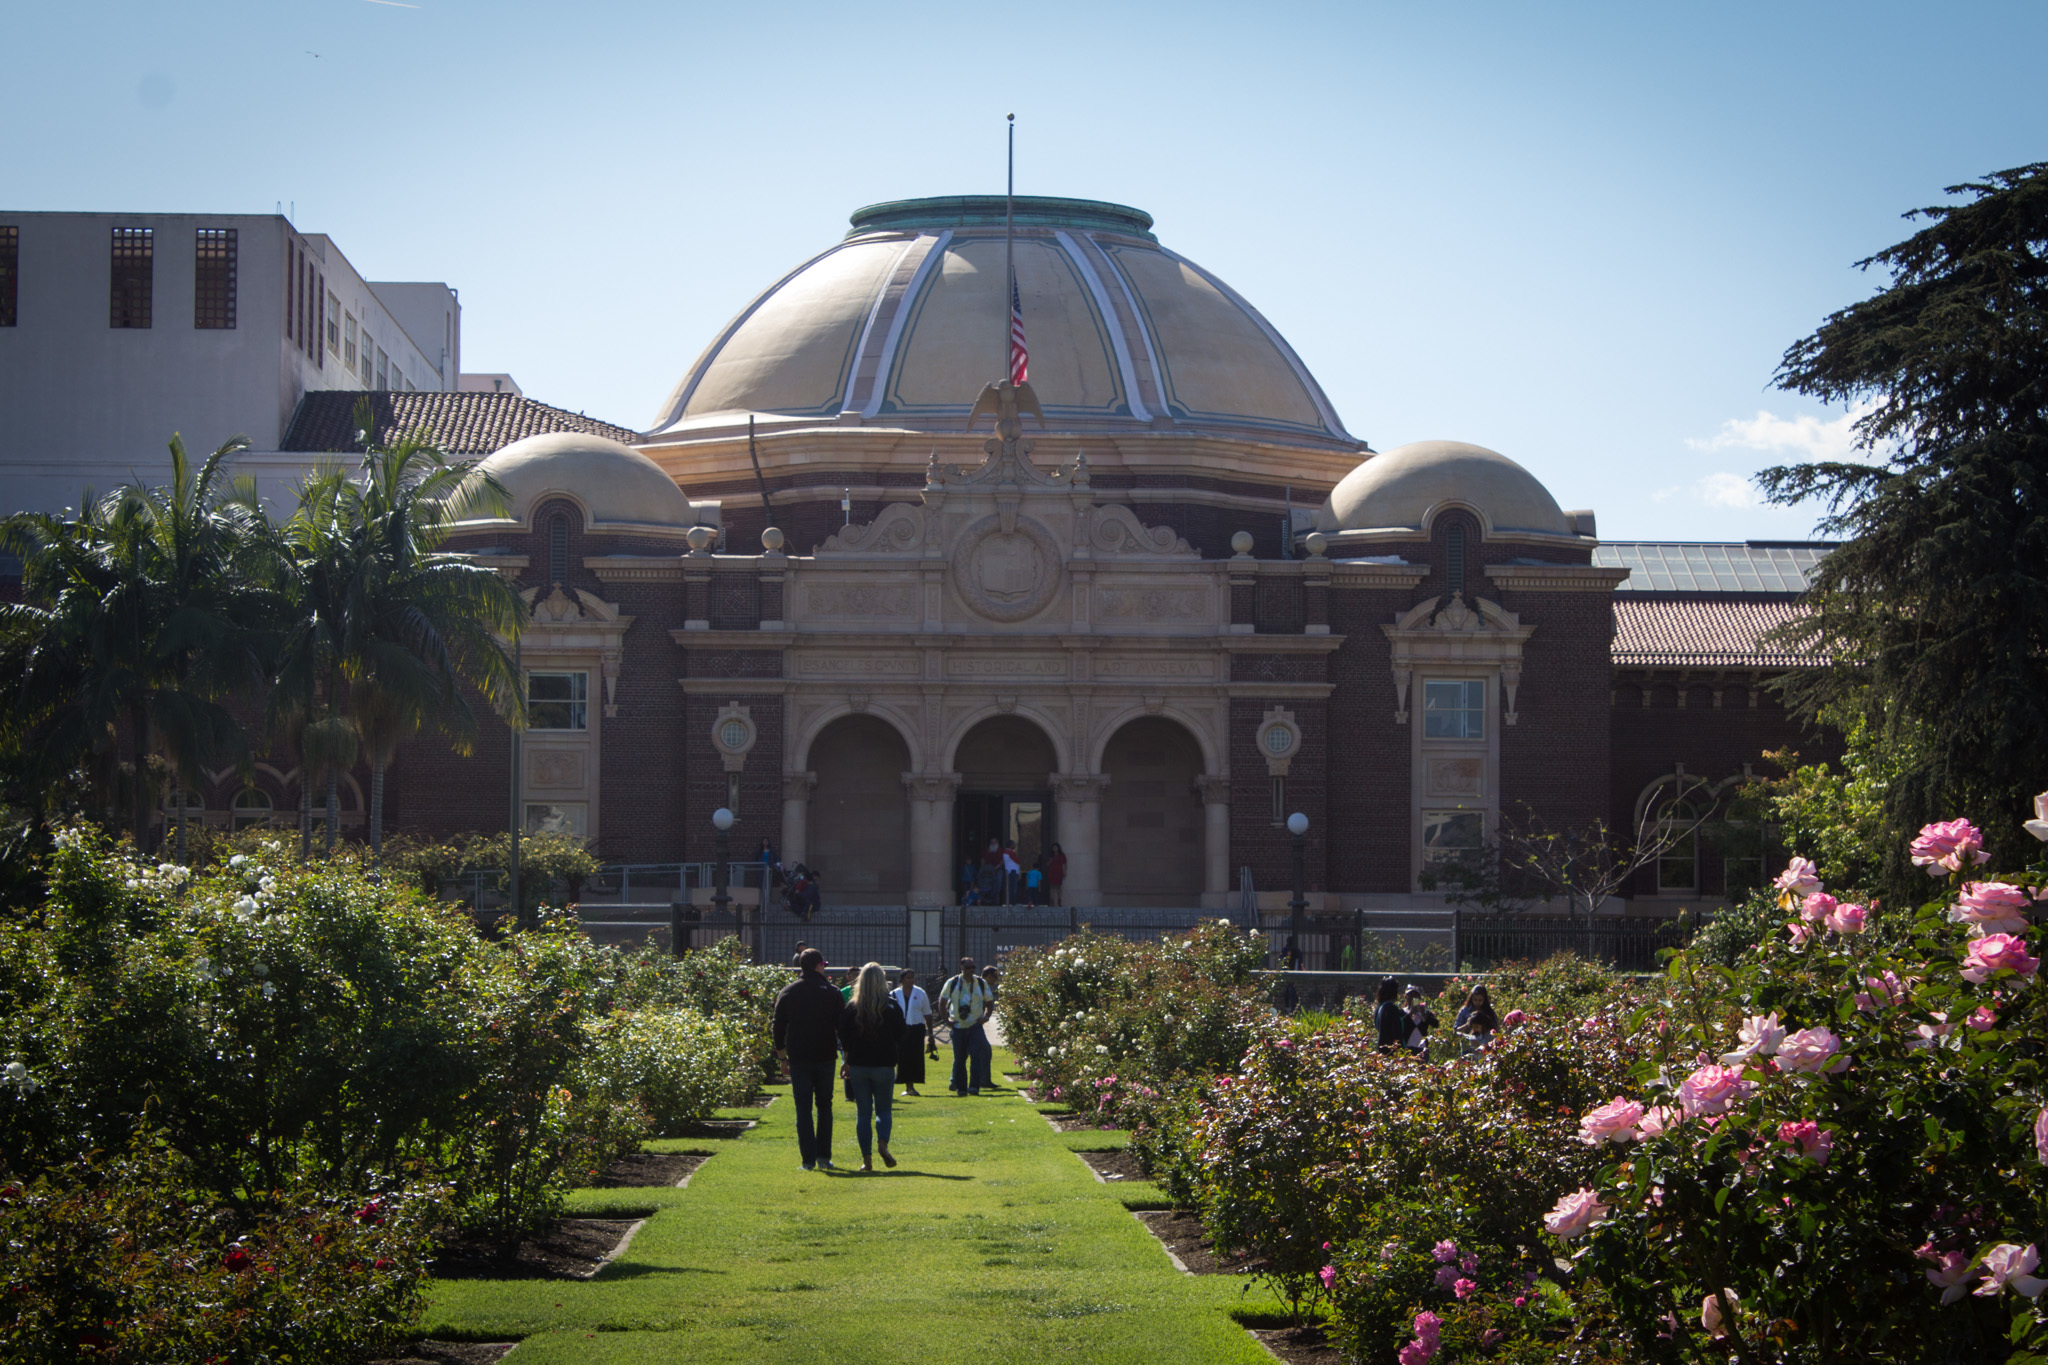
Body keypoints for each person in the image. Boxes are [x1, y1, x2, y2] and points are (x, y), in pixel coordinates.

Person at [771, 947, 842, 1171]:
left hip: (799, 1057)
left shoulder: (789, 992)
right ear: (819, 965)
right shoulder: (832, 992)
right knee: (824, 1107)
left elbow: (778, 1026)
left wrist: (782, 1056)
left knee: (803, 1109)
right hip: (825, 1055)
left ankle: (807, 1160)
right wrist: (846, 1055)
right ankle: (823, 1156)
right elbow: (842, 1027)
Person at [837, 962, 905, 1172]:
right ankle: (883, 1144)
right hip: (884, 1064)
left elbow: (843, 1036)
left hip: (858, 1065)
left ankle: (867, 1162)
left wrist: (847, 1060)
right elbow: (902, 1034)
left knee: (863, 1114)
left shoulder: (852, 1007)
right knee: (884, 1110)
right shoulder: (891, 1005)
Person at [939, 955, 995, 1095]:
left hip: (975, 1025)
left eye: (973, 967)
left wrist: (986, 1016)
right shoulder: (952, 983)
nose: (971, 970)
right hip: (957, 1026)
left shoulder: (980, 983)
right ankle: (961, 1087)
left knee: (975, 1057)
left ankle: (974, 1086)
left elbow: (990, 1001)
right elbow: (942, 1002)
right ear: (961, 968)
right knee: (959, 1059)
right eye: (968, 967)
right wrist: (946, 1020)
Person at [891, 967, 938, 1096]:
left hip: (916, 1028)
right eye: (908, 977)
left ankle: (911, 1086)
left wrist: (931, 1034)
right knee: (901, 1057)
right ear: (902, 980)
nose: (911, 980)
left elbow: (927, 1014)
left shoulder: (920, 993)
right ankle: (904, 1084)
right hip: (900, 1029)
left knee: (915, 1057)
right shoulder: (894, 994)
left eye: (912, 977)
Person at [1401, 986, 1439, 1054]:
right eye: (1410, 995)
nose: (1413, 998)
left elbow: (1436, 1024)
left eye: (1415, 996)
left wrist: (1423, 1014)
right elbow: (1399, 1025)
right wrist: (1411, 1012)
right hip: (1407, 1048)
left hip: (1422, 1048)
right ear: (1406, 997)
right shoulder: (1402, 1012)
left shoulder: (1425, 1012)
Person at [1371, 976, 1405, 1052]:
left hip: (1381, 1047)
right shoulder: (1391, 1008)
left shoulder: (1379, 1007)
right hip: (1391, 1049)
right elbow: (1396, 1031)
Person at [1046, 842, 1067, 907]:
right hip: (1052, 872)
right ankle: (1051, 901)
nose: (1055, 848)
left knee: (1058, 887)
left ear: (1058, 848)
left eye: (1056, 847)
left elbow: (1064, 864)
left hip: (1059, 872)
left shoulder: (1062, 855)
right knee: (1052, 887)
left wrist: (1064, 872)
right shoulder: (1050, 855)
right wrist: (1051, 860)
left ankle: (1059, 901)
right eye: (1054, 847)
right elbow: (1047, 864)